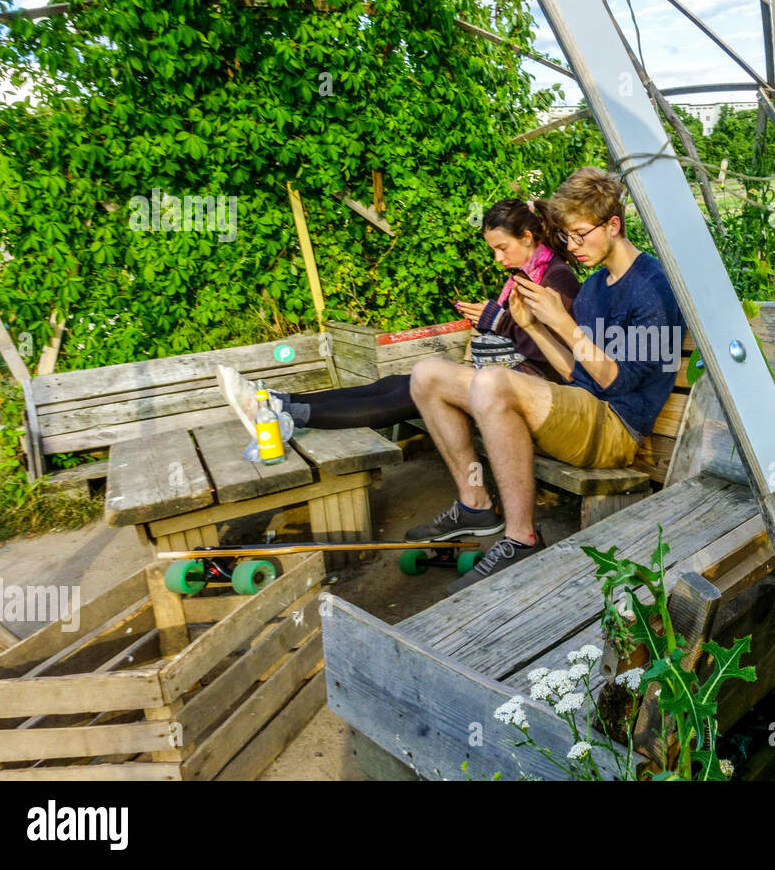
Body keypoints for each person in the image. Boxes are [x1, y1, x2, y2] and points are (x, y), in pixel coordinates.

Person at [404, 167, 685, 588]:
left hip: (617, 428)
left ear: (613, 224)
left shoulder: (652, 287)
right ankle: (475, 500)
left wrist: (563, 322)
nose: (572, 246)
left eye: (579, 234)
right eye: (567, 236)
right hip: (581, 406)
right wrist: (533, 326)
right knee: (427, 376)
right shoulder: (594, 288)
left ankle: (521, 537)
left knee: (492, 382)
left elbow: (619, 383)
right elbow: (575, 371)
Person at [215, 199, 581, 446]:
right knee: (395, 381)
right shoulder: (524, 273)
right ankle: (282, 401)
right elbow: (514, 332)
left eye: (502, 248)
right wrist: (490, 323)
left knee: (411, 393)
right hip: (502, 376)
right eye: (493, 250)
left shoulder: (557, 277)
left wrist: (499, 322)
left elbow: (561, 354)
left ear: (528, 237)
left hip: (532, 393)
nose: (498, 258)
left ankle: (288, 416)